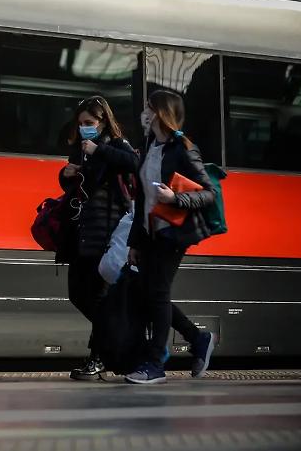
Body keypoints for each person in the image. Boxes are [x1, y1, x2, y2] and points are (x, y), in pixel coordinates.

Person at [125, 89, 218, 385]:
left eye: (148, 107)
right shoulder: (149, 144)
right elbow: (141, 200)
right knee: (151, 295)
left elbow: (208, 193)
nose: (144, 113)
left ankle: (155, 364)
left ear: (160, 112)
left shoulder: (183, 148)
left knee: (158, 294)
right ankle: (197, 337)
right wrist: (134, 243)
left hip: (173, 234)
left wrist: (176, 198)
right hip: (150, 232)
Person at [57, 96, 138, 380]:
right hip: (81, 233)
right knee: (78, 294)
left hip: (105, 233)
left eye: (89, 123)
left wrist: (100, 149)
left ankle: (98, 358)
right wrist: (66, 174)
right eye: (80, 124)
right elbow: (75, 186)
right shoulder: (81, 151)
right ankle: (121, 338)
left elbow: (133, 162)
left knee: (98, 297)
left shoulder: (115, 145)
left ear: (103, 121)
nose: (84, 129)